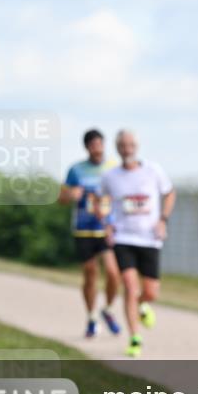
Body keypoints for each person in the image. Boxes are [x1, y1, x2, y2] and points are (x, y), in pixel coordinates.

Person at [98, 129, 176, 358]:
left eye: (131, 145)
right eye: (122, 146)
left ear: (137, 147)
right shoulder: (110, 176)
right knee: (130, 288)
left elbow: (170, 193)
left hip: (150, 238)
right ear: (117, 148)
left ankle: (143, 305)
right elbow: (100, 201)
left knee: (151, 292)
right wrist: (106, 223)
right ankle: (134, 338)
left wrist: (163, 220)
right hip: (123, 238)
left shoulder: (153, 170)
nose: (127, 150)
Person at [59, 129, 122, 338]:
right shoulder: (76, 170)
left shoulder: (113, 167)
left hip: (106, 229)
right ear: (87, 147)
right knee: (90, 273)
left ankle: (108, 309)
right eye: (93, 145)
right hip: (84, 229)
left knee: (113, 273)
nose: (97, 148)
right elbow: (61, 198)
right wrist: (70, 194)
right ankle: (92, 317)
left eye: (100, 144)